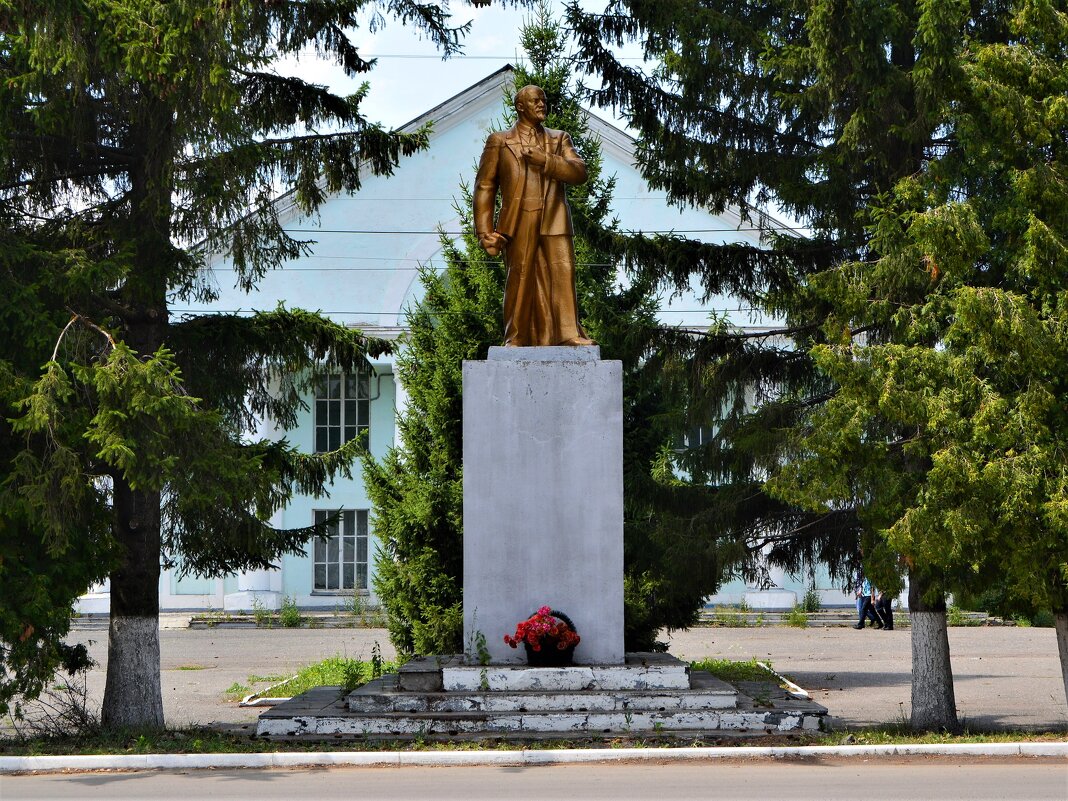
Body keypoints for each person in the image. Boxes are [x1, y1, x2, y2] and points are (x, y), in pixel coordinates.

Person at [473, 84, 596, 347]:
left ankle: (568, 333)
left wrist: (547, 161)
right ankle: (515, 338)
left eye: (544, 99)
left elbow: (579, 172)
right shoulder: (500, 141)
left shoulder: (558, 138)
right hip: (518, 219)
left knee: (563, 272)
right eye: (535, 101)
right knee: (520, 275)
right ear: (520, 107)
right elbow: (485, 186)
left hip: (554, 216)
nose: (542, 104)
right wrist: (485, 232)